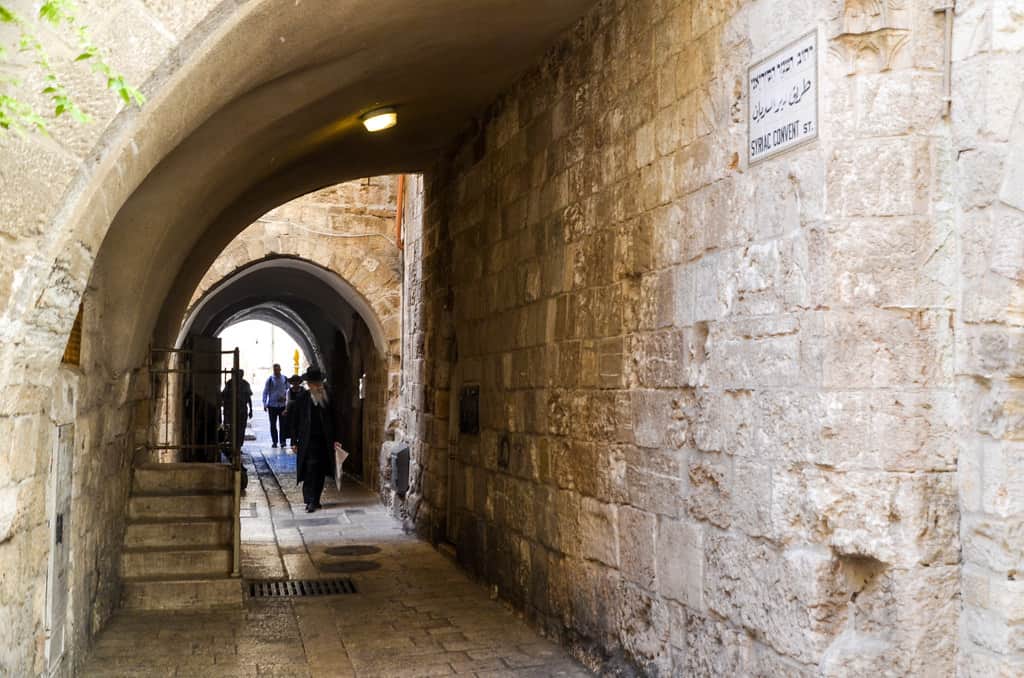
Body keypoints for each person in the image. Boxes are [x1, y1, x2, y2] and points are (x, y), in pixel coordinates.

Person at [290, 367, 337, 512]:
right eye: (314, 383)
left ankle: (315, 499)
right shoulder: (302, 399)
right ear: (309, 384)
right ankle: (309, 500)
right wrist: (293, 441)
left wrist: (336, 439)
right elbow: (294, 421)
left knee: (320, 471)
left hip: (324, 441)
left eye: (319, 383)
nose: (317, 386)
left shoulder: (327, 398)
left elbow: (336, 420)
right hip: (307, 441)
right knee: (310, 469)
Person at [262, 363, 289, 447]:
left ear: (280, 369)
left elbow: (289, 390)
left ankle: (282, 441)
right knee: (273, 425)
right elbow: (265, 392)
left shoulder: (285, 379)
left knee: (283, 424)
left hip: (282, 406)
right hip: (272, 406)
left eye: (278, 369)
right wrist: (265, 403)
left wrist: (285, 398)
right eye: (275, 370)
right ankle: (274, 441)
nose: (276, 371)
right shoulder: (270, 379)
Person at [281, 374, 303, 448]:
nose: (295, 383)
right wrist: (286, 410)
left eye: (297, 382)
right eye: (294, 382)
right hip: (292, 411)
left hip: (301, 411)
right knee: (292, 426)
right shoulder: (289, 391)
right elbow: (288, 401)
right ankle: (293, 442)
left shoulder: (303, 390)